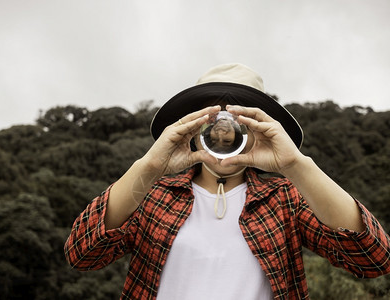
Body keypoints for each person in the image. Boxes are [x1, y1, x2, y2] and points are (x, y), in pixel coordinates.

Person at [65, 63, 390, 299]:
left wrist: (295, 165)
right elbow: (83, 253)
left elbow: (372, 257)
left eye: (237, 121)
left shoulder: (284, 198)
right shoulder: (154, 194)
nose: (223, 132)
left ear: (257, 128)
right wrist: (150, 166)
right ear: (192, 128)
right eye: (211, 121)